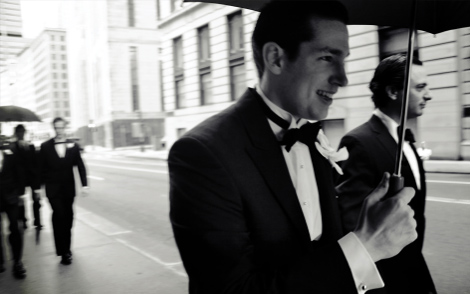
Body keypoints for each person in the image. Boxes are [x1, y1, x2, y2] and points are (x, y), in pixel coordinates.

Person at [168, 2, 418, 293]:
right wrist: (364, 245)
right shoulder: (201, 153)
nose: (343, 79)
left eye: (344, 60)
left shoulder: (312, 135)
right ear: (276, 58)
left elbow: (318, 252)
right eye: (327, 58)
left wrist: (366, 223)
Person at [335, 54, 436, 293]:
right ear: (393, 92)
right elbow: (351, 226)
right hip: (385, 280)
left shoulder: (405, 139)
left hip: (414, 270)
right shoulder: (359, 142)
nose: (429, 95)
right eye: (420, 87)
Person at [37, 117, 88, 265]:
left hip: (68, 189)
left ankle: (66, 248)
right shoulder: (45, 146)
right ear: (54, 128)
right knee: (59, 215)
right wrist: (38, 188)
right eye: (57, 128)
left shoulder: (73, 145)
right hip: (53, 190)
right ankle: (63, 251)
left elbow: (80, 165)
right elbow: (40, 169)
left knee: (69, 217)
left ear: (65, 128)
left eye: (61, 128)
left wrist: (85, 185)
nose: (59, 131)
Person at [0, 135, 27, 278]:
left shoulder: (10, 153)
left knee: (15, 229)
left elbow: (20, 173)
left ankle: (18, 262)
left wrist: (21, 194)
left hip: (11, 198)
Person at [11, 124, 42, 230]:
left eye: (23, 132)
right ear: (16, 133)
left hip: (31, 177)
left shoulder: (30, 146)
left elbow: (35, 163)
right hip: (19, 179)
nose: (21, 134)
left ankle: (37, 221)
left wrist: (38, 181)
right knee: (21, 201)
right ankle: (23, 220)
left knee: (36, 200)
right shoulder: (13, 147)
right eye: (19, 132)